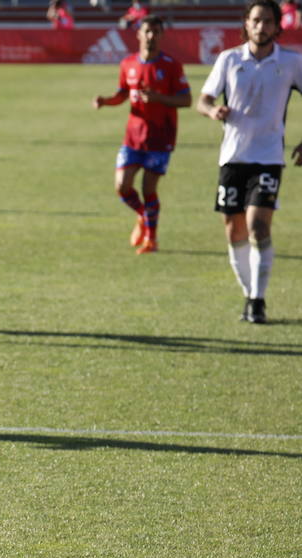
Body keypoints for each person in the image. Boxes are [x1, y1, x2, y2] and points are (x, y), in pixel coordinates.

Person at [196, 0, 302, 324]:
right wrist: (213, 110)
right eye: (256, 20)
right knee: (234, 231)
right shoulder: (229, 59)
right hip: (233, 157)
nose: (261, 27)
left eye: (268, 21)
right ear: (246, 23)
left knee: (258, 226)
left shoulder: (292, 62)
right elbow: (203, 99)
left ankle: (258, 300)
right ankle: (248, 292)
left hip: (268, 158)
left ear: (276, 26)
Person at [93, 16, 189, 254]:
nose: (151, 36)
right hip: (133, 136)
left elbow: (186, 100)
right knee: (122, 186)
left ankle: (152, 240)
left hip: (160, 137)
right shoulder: (128, 64)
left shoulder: (171, 65)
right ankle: (143, 217)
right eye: (147, 31)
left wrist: (159, 98)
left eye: (156, 31)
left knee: (148, 189)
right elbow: (122, 94)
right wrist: (105, 101)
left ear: (161, 35)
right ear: (138, 34)